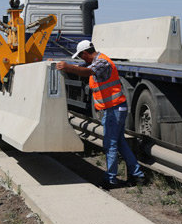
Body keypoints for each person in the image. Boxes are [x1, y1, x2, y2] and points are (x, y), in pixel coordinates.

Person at [56, 40, 145, 189]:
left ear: (86, 53)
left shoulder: (102, 62)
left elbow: (88, 71)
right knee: (120, 143)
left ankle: (110, 180)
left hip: (115, 109)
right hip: (113, 109)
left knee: (110, 145)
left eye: (81, 56)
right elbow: (84, 67)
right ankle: (138, 175)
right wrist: (63, 65)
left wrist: (68, 68)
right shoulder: (96, 62)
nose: (81, 59)